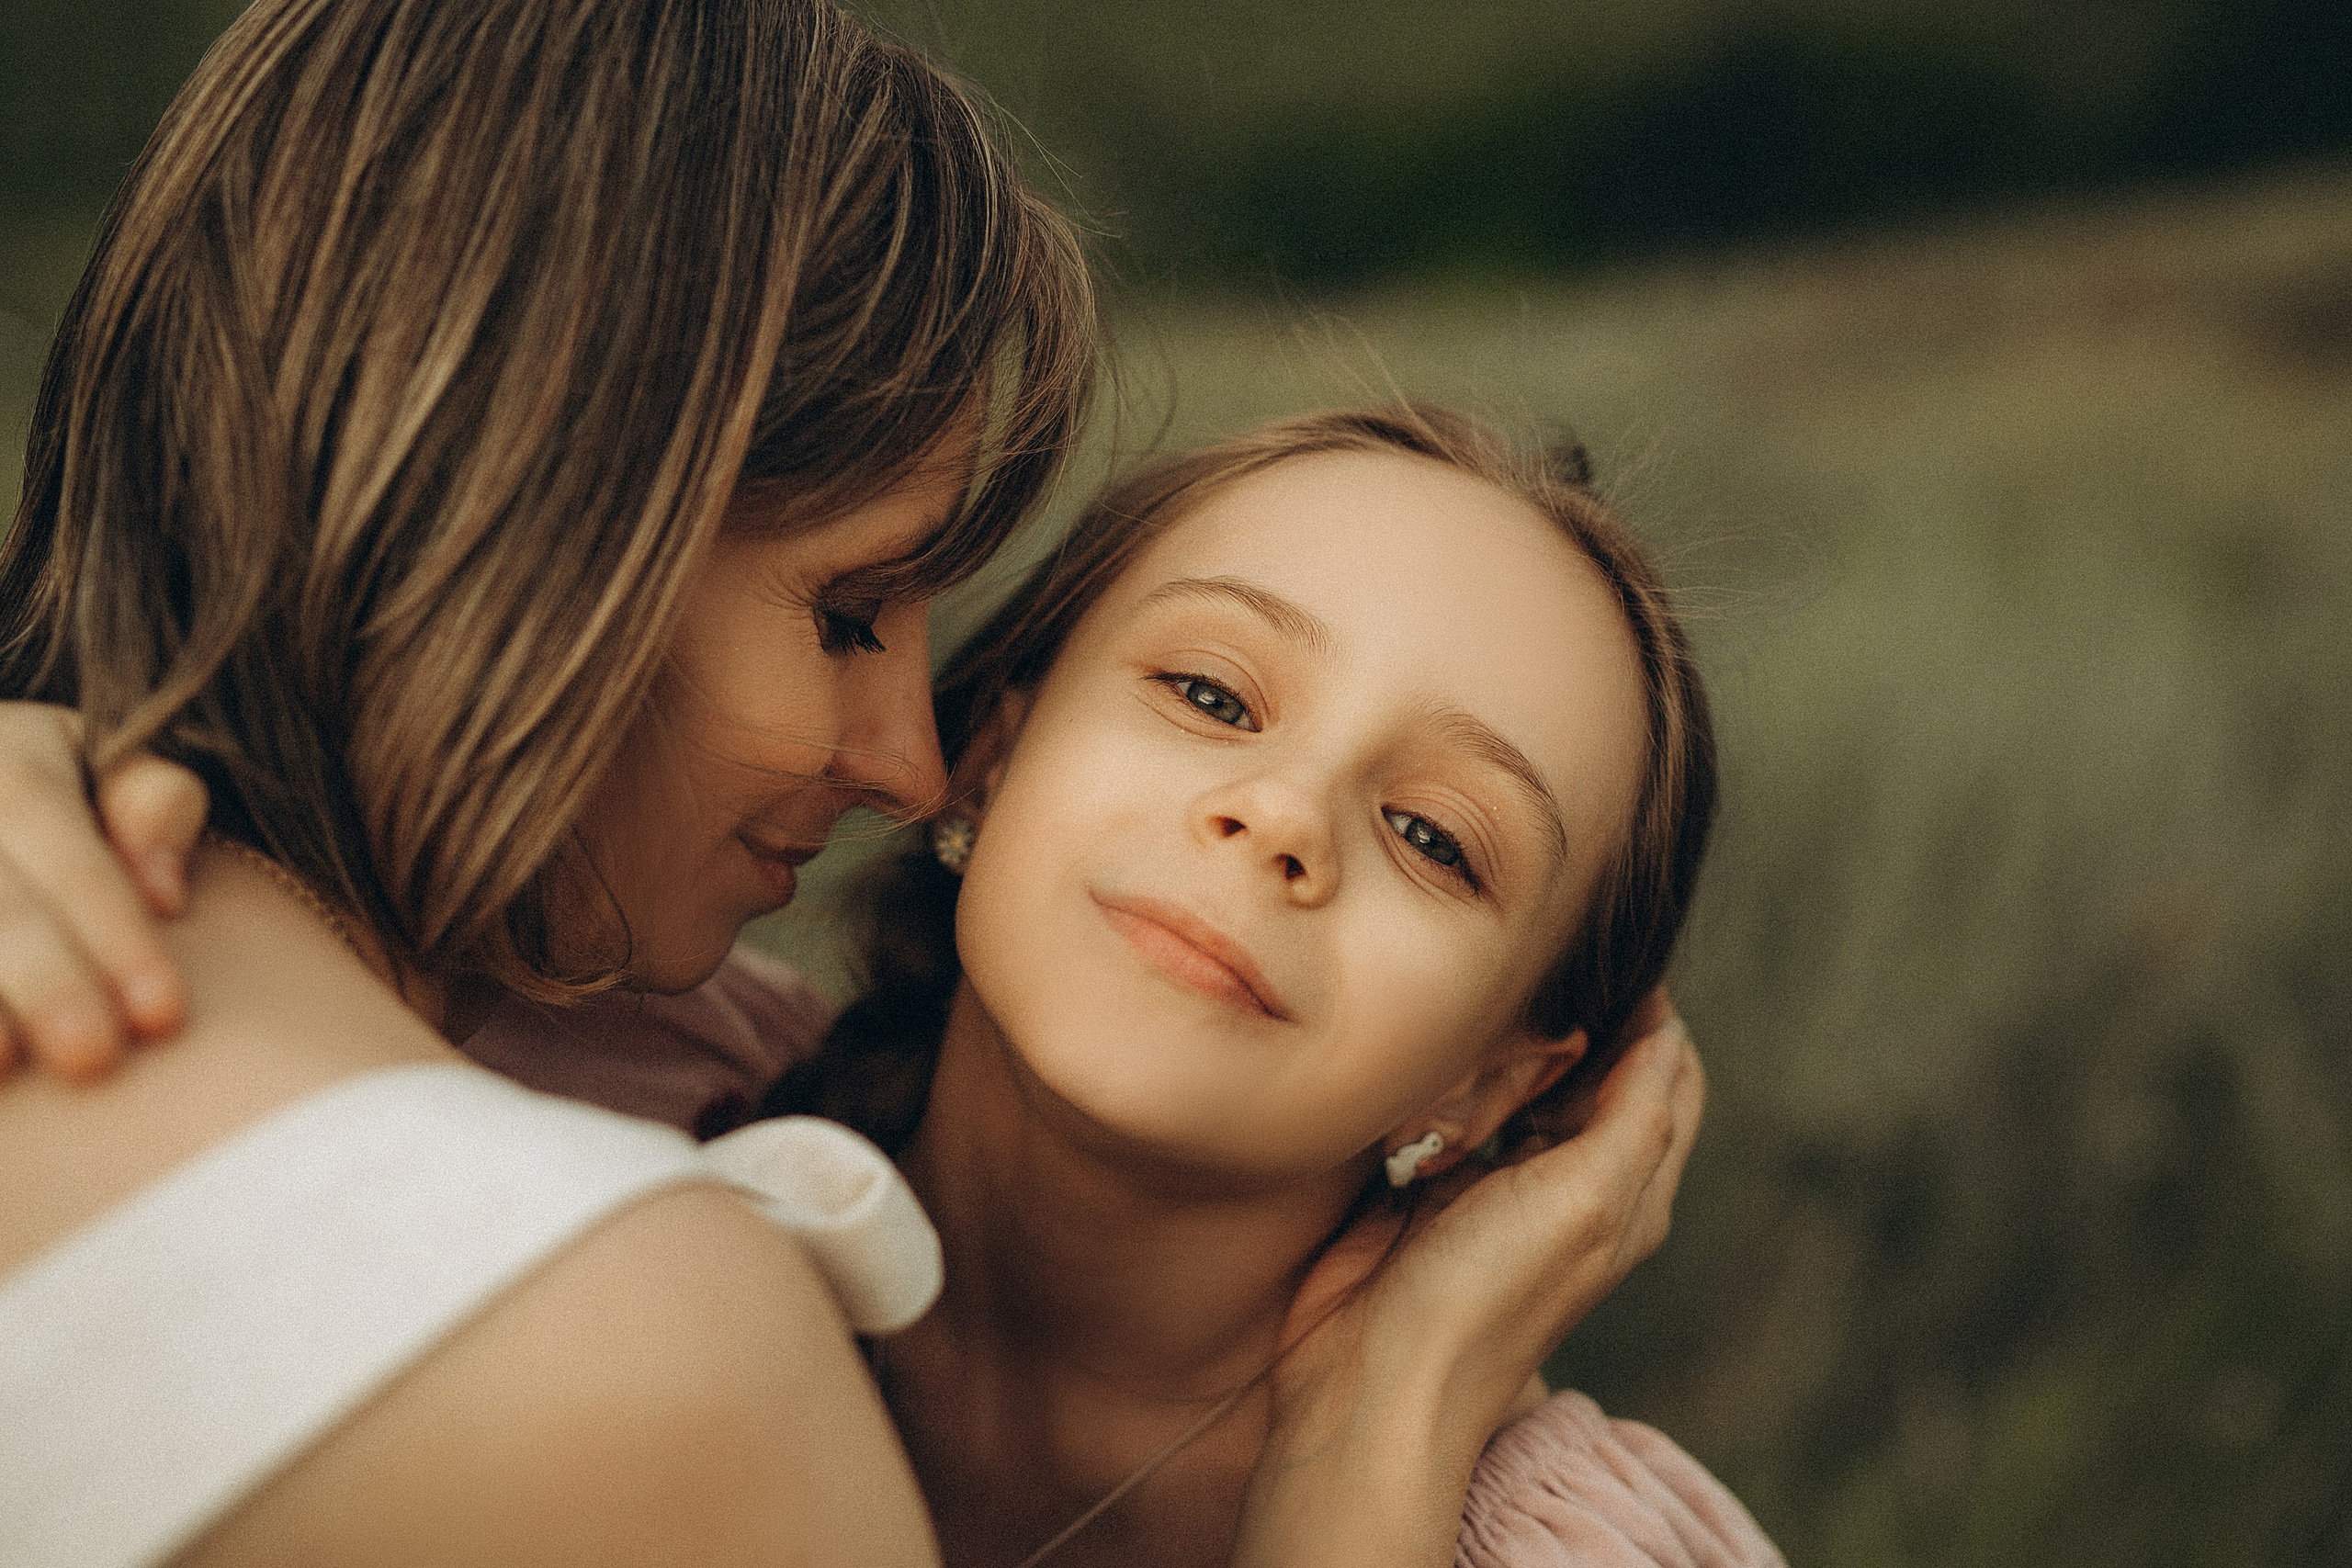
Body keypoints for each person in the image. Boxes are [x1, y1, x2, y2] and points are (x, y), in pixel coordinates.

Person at [0, 2, 1703, 1565]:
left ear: (1509, 1071)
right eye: (847, 608)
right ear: (537, 515)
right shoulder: (633, 1240)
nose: (903, 755)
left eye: (1436, 836)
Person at [752, 404, 1777, 1567]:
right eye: (1210, 695)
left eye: (1431, 837)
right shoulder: (624, 1081)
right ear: (994, 754)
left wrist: (1386, 1425)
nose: (1284, 813)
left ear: (1489, 1082)